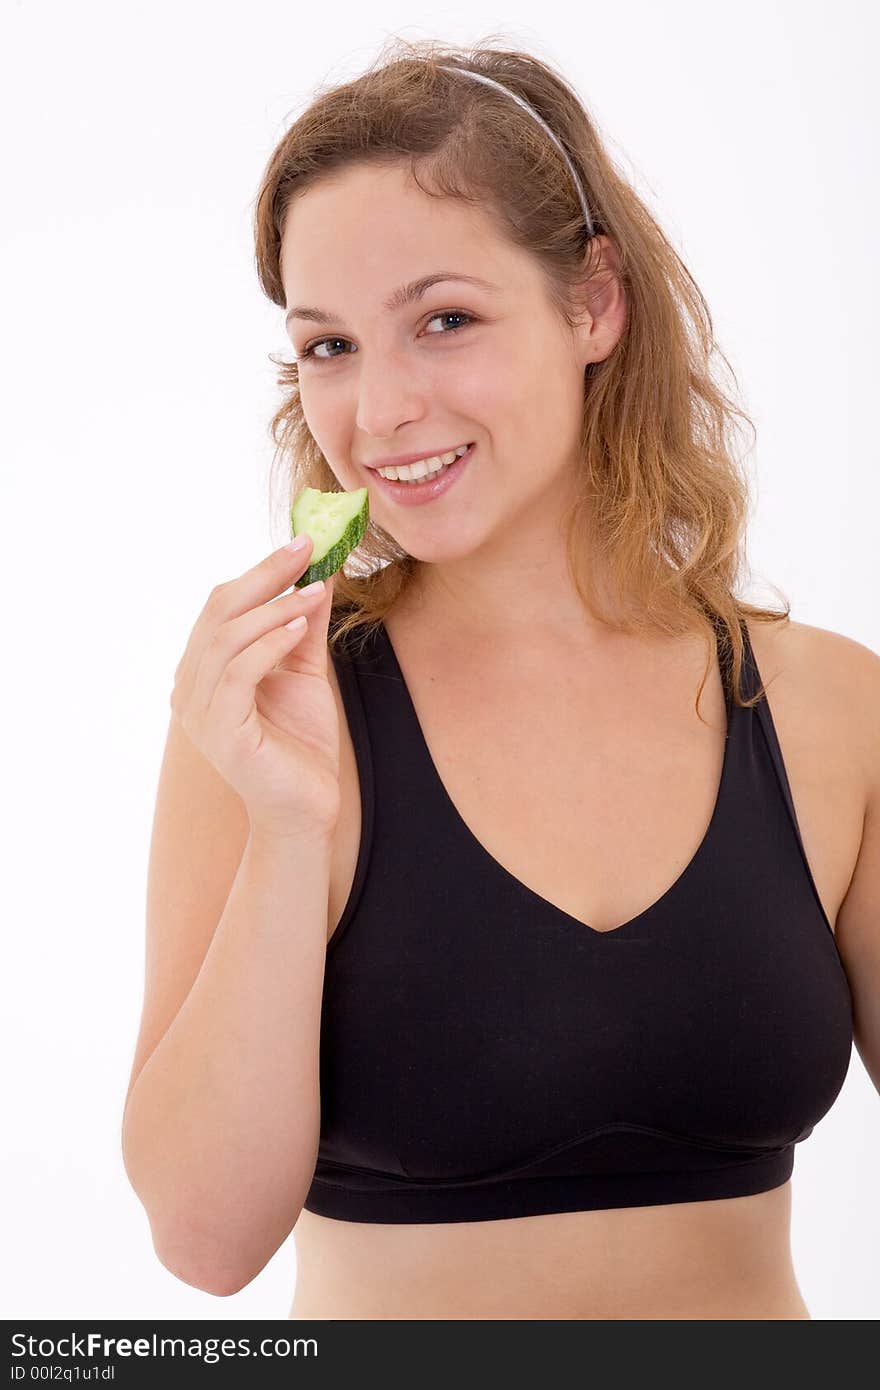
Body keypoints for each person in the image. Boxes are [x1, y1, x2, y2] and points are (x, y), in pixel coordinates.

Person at [121, 38, 880, 1320]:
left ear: (593, 303)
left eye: (446, 321)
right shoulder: (268, 726)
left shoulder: (825, 707)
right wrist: (288, 825)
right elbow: (205, 1239)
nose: (376, 412)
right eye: (328, 348)